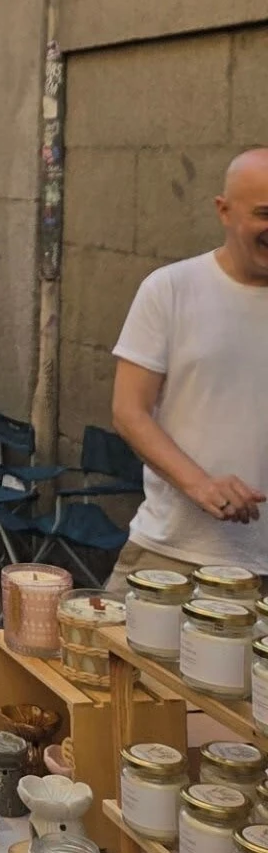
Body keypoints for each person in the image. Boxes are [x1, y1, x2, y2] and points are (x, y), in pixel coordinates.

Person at [106, 148, 268, 590]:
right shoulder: (172, 289)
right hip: (174, 553)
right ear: (224, 210)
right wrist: (201, 485)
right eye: (264, 214)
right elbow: (128, 411)